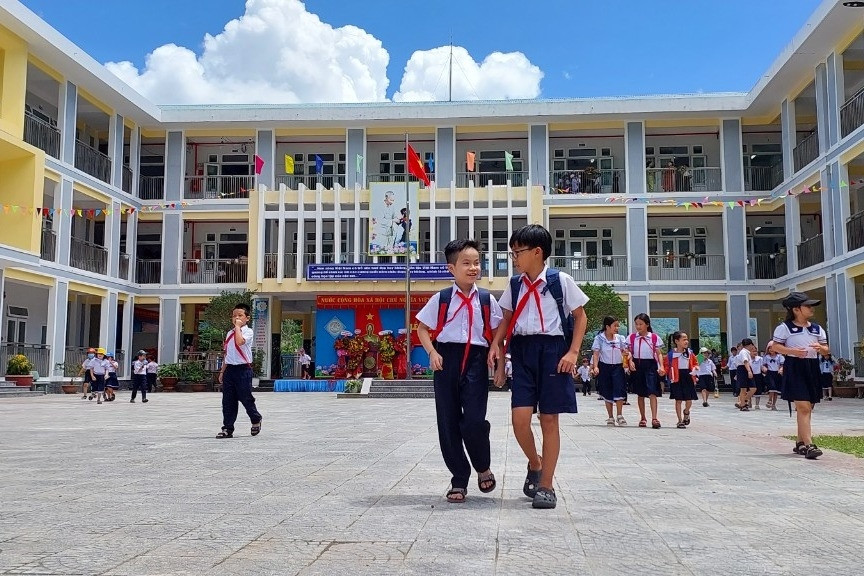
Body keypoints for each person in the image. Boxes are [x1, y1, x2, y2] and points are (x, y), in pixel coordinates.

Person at [491, 225, 589, 510]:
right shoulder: (514, 284)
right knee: (519, 419)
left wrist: (572, 352)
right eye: (512, 253)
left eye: (517, 252)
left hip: (553, 350)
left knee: (549, 419)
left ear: (537, 252)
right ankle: (535, 463)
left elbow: (580, 317)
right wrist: (497, 347)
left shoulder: (561, 281)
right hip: (522, 351)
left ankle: (546, 485)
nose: (514, 258)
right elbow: (506, 319)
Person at [416, 239, 503, 504]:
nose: (473, 268)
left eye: (477, 262)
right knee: (448, 422)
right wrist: (432, 352)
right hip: (446, 360)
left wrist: (495, 347)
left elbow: (500, 326)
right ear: (451, 269)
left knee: (475, 420)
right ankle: (459, 478)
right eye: (466, 263)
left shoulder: (487, 299)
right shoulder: (441, 298)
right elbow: (421, 328)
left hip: (476, 361)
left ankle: (482, 465)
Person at [770, 291, 829, 459]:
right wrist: (793, 351)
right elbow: (775, 346)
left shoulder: (817, 328)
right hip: (794, 366)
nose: (811, 309)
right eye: (807, 306)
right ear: (796, 309)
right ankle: (809, 445)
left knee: (809, 406)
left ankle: (800, 442)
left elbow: (826, 350)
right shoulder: (784, 328)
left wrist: (821, 348)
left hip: (812, 367)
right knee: (803, 407)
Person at [216, 303, 263, 439]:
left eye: (240, 315)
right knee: (228, 400)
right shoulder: (229, 333)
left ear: (247, 318)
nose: (236, 318)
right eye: (234, 316)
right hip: (230, 370)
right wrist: (222, 371)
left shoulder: (248, 331)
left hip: (243, 369)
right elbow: (227, 354)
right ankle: (227, 428)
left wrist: (237, 327)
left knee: (246, 398)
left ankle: (255, 419)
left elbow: (240, 342)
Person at [627, 314, 666, 429]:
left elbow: (658, 354)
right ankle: (643, 417)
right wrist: (630, 361)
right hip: (638, 365)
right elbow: (628, 351)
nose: (638, 327)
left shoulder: (654, 337)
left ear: (647, 325)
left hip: (650, 366)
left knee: (652, 391)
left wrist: (662, 366)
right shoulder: (632, 338)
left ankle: (654, 418)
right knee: (640, 393)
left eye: (641, 324)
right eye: (636, 324)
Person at [591, 316, 629, 426]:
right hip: (605, 367)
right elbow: (596, 353)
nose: (617, 327)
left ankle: (620, 415)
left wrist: (627, 360)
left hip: (618, 367)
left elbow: (625, 351)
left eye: (618, 325)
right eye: (615, 325)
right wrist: (596, 366)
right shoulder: (599, 338)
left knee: (620, 389)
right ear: (607, 326)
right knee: (607, 390)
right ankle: (610, 417)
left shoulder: (620, 338)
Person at [665, 332, 699, 428]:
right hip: (676, 377)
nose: (686, 341)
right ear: (676, 341)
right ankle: (679, 420)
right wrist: (663, 372)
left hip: (688, 376)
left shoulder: (690, 353)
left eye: (687, 339)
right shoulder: (671, 354)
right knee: (678, 399)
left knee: (689, 399)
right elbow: (667, 365)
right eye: (683, 339)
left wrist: (695, 368)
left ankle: (686, 411)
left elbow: (695, 362)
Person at [736, 339, 757, 411]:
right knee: (743, 388)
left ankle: (742, 401)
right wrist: (749, 371)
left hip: (746, 368)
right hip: (743, 369)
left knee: (753, 388)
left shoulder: (747, 352)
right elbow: (745, 361)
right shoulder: (743, 352)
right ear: (750, 345)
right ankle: (743, 405)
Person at [763, 344, 784, 410]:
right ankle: (769, 400)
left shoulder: (779, 357)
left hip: (777, 373)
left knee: (776, 391)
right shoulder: (766, 357)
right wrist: (764, 369)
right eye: (770, 348)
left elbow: (782, 365)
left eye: (772, 348)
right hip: (770, 373)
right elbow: (763, 365)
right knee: (772, 387)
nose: (771, 350)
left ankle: (773, 404)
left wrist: (781, 369)